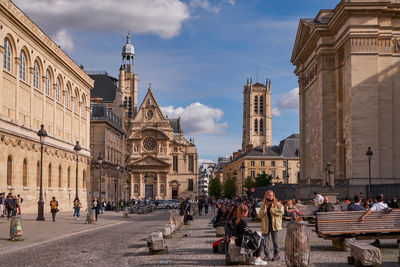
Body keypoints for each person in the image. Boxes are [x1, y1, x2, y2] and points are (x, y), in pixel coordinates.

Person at [258, 190, 284, 261]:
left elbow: (282, 211)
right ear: (266, 196)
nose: (270, 196)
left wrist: (274, 211)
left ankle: (276, 255)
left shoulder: (277, 204)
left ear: (273, 196)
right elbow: (259, 216)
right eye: (269, 195)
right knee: (265, 241)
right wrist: (263, 212)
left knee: (275, 241)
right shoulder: (263, 205)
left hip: (274, 224)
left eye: (271, 195)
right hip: (265, 224)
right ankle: (267, 255)